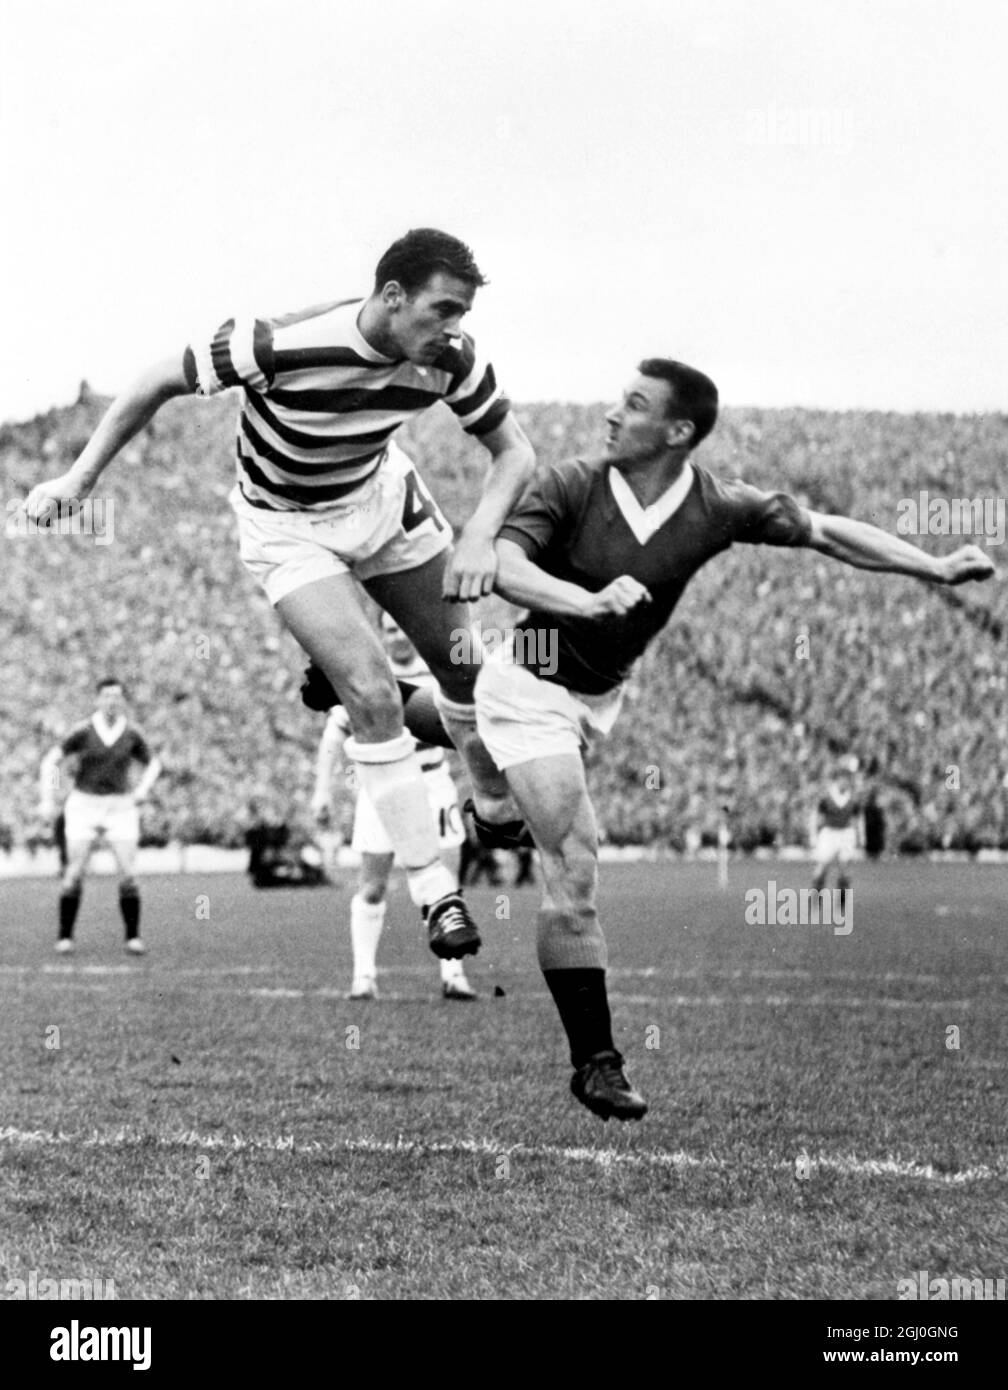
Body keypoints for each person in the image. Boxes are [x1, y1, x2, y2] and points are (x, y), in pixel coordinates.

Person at [466, 357, 995, 1122]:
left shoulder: (717, 507)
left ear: (678, 431)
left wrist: (936, 565)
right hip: (530, 675)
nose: (613, 414)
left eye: (634, 404)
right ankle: (597, 1063)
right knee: (576, 861)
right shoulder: (571, 483)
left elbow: (824, 532)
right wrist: (583, 601)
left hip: (597, 695)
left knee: (486, 760)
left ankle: (470, 775)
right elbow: (503, 566)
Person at [25, 229, 536, 964]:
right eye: (443, 309)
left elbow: (515, 451)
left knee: (463, 666)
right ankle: (434, 891)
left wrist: (483, 535)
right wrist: (79, 479)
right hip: (288, 526)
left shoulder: (452, 360)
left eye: (462, 314)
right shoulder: (275, 342)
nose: (454, 329)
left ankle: (487, 792)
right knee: (370, 693)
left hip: (384, 501)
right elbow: (153, 380)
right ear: (391, 297)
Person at [311, 613, 476, 1001]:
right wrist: (322, 790)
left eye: (402, 628)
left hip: (434, 783)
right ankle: (364, 976)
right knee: (372, 884)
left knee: (447, 882)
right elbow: (334, 735)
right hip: (381, 786)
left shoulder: (439, 668)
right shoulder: (371, 672)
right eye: (389, 630)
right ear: (382, 634)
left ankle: (454, 975)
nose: (398, 636)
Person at [38, 677, 162, 954]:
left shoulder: (131, 734)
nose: (111, 701)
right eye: (106, 696)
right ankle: (65, 936)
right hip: (84, 805)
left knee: (129, 874)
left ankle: (132, 937)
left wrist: (142, 789)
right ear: (97, 700)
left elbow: (154, 764)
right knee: (74, 873)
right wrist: (48, 797)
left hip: (120, 806)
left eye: (116, 696)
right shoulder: (82, 731)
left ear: (123, 701)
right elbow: (51, 761)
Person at [811, 763, 863, 898]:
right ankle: (816, 895)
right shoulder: (826, 797)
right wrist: (815, 835)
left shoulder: (853, 799)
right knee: (823, 865)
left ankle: (842, 901)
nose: (844, 782)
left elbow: (857, 819)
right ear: (837, 780)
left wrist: (860, 837)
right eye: (842, 779)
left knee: (845, 868)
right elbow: (818, 817)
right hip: (829, 833)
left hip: (845, 833)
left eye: (847, 779)